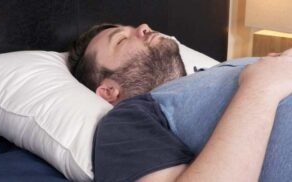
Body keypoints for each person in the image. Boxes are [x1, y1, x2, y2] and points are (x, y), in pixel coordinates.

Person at [68, 23, 292, 182]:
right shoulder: (127, 119)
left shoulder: (212, 75)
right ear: (109, 91)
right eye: (121, 39)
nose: (143, 27)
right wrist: (262, 86)